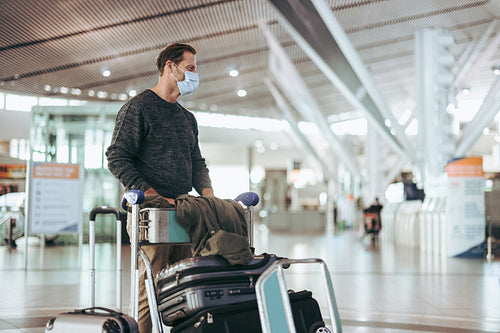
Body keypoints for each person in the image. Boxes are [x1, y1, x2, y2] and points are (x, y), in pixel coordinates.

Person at [106, 42, 214, 333]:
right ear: (170, 67)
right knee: (150, 285)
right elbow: (116, 156)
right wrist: (150, 193)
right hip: (151, 212)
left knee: (186, 284)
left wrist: (207, 194)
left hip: (184, 210)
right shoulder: (139, 107)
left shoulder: (187, 119)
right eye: (190, 68)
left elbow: (197, 163)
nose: (194, 74)